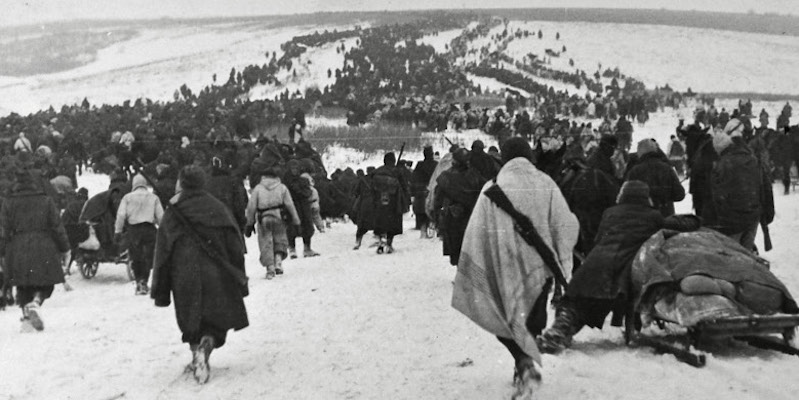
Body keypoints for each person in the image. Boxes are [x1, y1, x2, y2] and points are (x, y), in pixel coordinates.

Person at [451, 137, 579, 397]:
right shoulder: (547, 184)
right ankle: (525, 363)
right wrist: (559, 256)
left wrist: (479, 261)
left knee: (503, 317)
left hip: (503, 264)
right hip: (539, 268)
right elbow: (566, 225)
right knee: (533, 318)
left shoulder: (494, 186)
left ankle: (522, 362)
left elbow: (477, 232)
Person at [537, 181, 700, 353]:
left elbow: (598, 238)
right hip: (621, 270)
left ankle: (559, 331)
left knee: (576, 303)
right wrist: (694, 219)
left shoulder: (610, 213)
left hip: (593, 265)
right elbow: (683, 225)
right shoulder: (653, 216)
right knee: (603, 299)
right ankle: (561, 333)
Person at [151, 166, 249, 384]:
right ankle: (207, 345)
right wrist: (239, 276)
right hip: (216, 272)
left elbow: (162, 251)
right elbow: (235, 244)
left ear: (182, 183)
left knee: (189, 316)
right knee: (215, 319)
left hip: (183, 272)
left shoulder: (173, 211)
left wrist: (160, 287)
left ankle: (197, 353)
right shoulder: (217, 207)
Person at [0, 168, 70, 331]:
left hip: (17, 246)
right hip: (43, 244)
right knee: (47, 282)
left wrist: (2, 250)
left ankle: (26, 319)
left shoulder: (8, 202)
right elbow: (57, 227)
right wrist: (65, 248)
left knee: (23, 283)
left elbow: (3, 229)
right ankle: (36, 302)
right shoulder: (46, 200)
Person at [705, 119, 763, 251]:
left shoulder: (722, 165)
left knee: (733, 255)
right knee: (747, 253)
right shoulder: (751, 158)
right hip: (753, 215)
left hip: (732, 221)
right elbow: (762, 185)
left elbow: (717, 196)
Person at [244, 169, 300, 279]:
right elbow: (289, 204)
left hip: (263, 217)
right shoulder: (282, 187)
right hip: (279, 216)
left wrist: (249, 223)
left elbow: (251, 208)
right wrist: (296, 220)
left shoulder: (258, 189)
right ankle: (278, 262)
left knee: (265, 242)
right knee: (280, 239)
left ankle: (270, 268)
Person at [433, 148, 485, 265]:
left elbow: (437, 200)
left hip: (453, 219)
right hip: (471, 217)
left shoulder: (445, 177)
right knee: (470, 249)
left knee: (456, 250)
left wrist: (437, 219)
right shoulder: (475, 176)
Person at [114, 174, 164, 295]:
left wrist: (118, 231)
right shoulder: (153, 197)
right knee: (148, 256)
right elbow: (161, 216)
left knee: (136, 256)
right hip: (149, 229)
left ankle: (139, 281)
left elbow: (121, 215)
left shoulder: (127, 197)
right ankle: (145, 281)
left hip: (133, 230)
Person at [625, 139, 685, 217]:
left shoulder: (635, 171)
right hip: (666, 216)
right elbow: (679, 194)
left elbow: (627, 197)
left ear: (640, 153)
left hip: (643, 217)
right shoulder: (667, 168)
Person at [371, 152, 410, 254]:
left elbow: (372, 188)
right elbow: (404, 186)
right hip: (394, 202)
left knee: (381, 222)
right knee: (392, 224)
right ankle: (389, 244)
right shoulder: (397, 172)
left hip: (380, 201)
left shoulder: (377, 172)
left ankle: (381, 242)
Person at [411, 146, 438, 237]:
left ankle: (423, 230)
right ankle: (432, 228)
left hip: (421, 190)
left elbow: (414, 178)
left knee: (421, 211)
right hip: (432, 189)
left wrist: (414, 190)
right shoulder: (435, 164)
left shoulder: (419, 165)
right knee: (432, 208)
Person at [352, 166, 377, 250]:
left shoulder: (362, 180)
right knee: (378, 223)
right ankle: (380, 239)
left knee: (362, 225)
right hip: (375, 204)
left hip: (364, 204)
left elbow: (356, 192)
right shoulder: (377, 180)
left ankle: (357, 242)